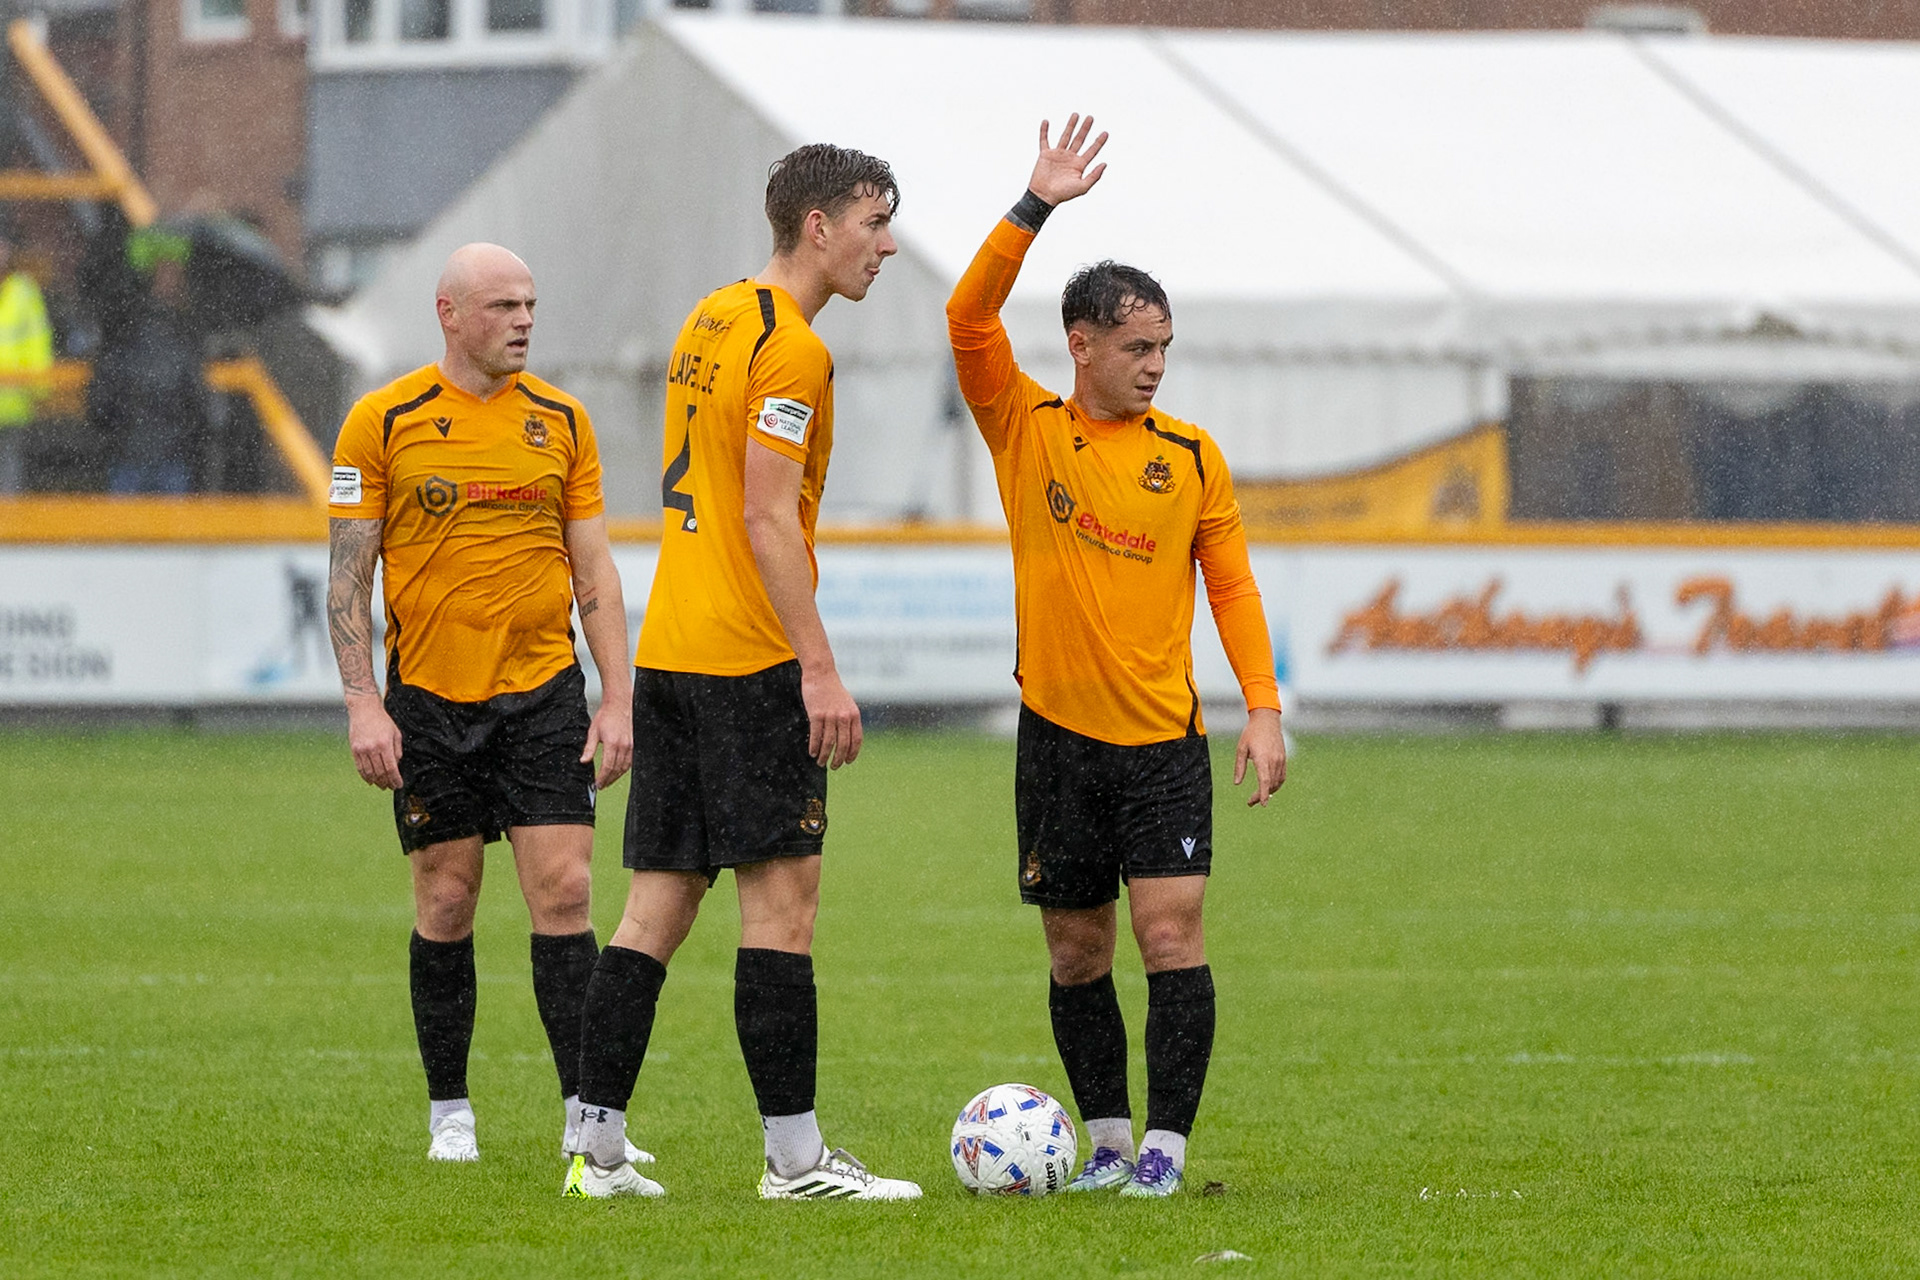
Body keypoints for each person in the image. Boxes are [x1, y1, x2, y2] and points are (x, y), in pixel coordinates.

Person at [564, 144, 920, 1202]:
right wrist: (819, 670)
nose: (886, 244)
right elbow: (766, 514)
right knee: (783, 911)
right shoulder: (794, 349)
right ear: (817, 225)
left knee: (653, 911)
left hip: (674, 650)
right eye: (873, 222)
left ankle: (597, 1147)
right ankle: (797, 1161)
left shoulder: (712, 316)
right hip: (746, 658)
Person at [945, 117, 1288, 1198]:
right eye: (1138, 348)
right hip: (1056, 736)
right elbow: (967, 314)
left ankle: (1164, 1151)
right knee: (1078, 952)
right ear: (1081, 342)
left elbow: (1229, 584)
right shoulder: (1024, 426)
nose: (1154, 368)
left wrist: (1264, 708)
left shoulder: (1191, 457)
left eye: (1164, 351)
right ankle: (1100, 1139)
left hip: (1162, 743)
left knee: (1171, 929)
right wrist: (1034, 205)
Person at [326, 242, 644, 1167]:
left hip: (544, 697)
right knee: (448, 898)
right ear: (449, 313)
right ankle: (449, 1112)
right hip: (426, 702)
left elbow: (597, 575)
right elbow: (348, 580)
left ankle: (589, 1115)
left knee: (568, 892)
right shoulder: (382, 422)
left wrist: (617, 699)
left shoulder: (563, 421)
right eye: (504, 306)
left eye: (531, 305)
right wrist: (362, 706)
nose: (524, 322)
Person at [88, 227, 207, 494]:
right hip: (160, 453)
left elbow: (101, 400)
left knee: (127, 529)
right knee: (168, 530)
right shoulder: (182, 332)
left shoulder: (124, 327)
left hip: (139, 452)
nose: (173, 279)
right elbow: (197, 401)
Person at [0, 218, 54, 493]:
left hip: (14, 404)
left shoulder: (23, 290)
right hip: (13, 399)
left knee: (10, 478)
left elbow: (38, 342)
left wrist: (38, 390)